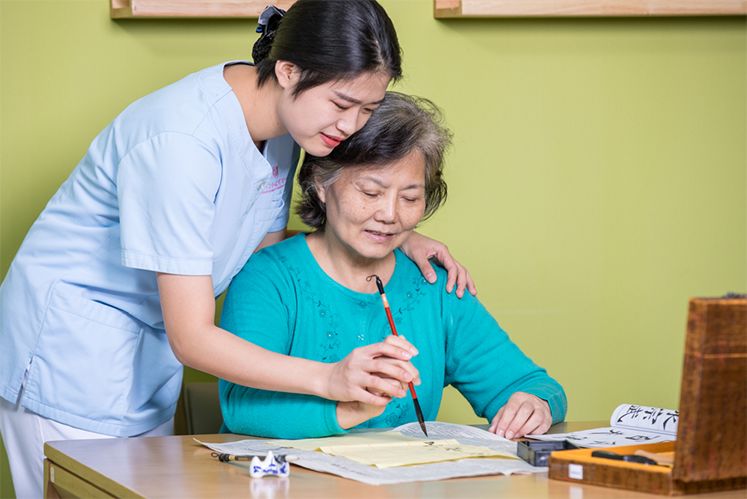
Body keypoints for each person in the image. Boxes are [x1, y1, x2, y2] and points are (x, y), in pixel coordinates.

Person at [0, 2, 475, 497]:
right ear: (288, 70)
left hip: (143, 359)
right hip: (69, 355)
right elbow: (193, 338)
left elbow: (258, 254)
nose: (351, 126)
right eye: (341, 104)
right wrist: (332, 380)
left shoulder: (293, 130)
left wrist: (390, 235)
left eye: (368, 110)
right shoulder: (182, 141)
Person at [219, 92, 567, 440]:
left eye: (410, 198)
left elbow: (532, 384)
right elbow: (243, 406)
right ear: (320, 185)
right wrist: (349, 409)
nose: (389, 214)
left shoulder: (435, 284)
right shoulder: (267, 279)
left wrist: (534, 403)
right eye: (371, 192)